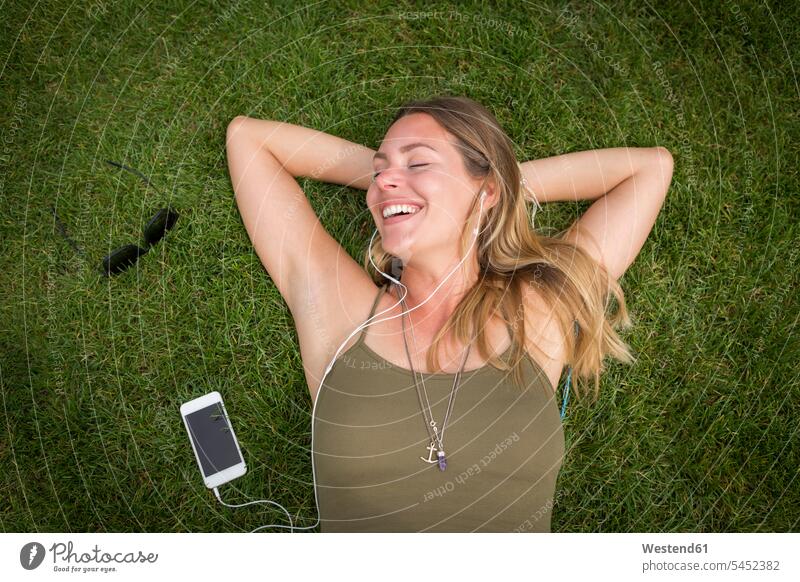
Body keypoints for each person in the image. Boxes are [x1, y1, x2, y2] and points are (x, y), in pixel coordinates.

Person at [225, 95, 674, 532]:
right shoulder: (343, 317)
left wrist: (493, 187)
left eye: (419, 162)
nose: (382, 182)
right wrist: (404, 184)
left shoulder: (537, 312)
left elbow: (649, 170)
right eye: (377, 171)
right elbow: (249, 141)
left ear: (488, 189)